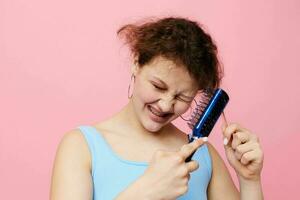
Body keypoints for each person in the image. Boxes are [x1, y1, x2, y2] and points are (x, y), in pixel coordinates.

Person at [50, 17, 264, 200]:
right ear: (136, 62)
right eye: (158, 86)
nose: (165, 105)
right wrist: (146, 192)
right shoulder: (81, 147)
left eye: (182, 97)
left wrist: (249, 180)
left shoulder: (204, 156)